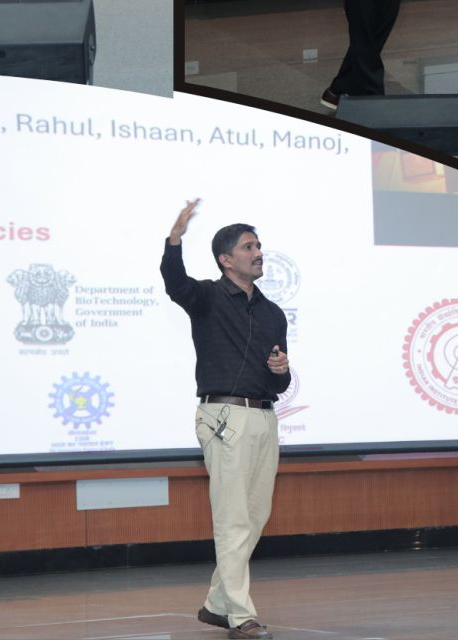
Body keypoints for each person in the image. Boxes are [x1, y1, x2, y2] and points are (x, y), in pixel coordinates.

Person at [161, 197, 290, 640]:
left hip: (264, 417)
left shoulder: (272, 312)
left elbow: (278, 382)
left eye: (259, 245)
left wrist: (281, 371)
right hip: (223, 417)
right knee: (233, 518)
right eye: (248, 247)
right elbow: (174, 283)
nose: (258, 252)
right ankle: (240, 615)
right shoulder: (207, 297)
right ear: (226, 260)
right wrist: (174, 239)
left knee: (254, 517)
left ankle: (217, 605)